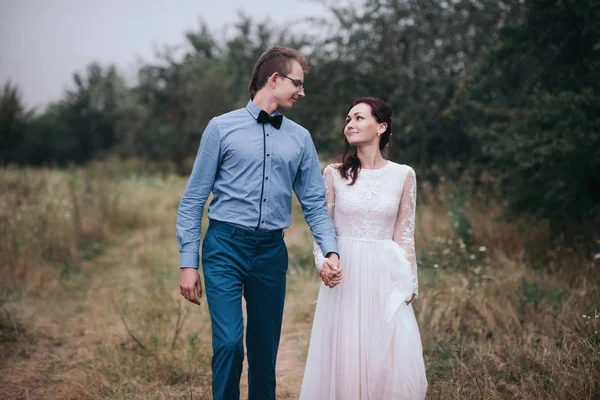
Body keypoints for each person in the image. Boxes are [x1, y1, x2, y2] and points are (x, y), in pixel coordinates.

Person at [175, 46, 341, 400]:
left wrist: (331, 249)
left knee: (264, 353)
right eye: (297, 83)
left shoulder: (300, 139)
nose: (302, 91)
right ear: (274, 79)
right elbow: (192, 201)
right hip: (224, 248)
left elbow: (313, 201)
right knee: (230, 344)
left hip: (270, 253)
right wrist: (189, 263)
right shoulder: (220, 129)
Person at [300, 97, 428, 399]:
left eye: (358, 118)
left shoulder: (404, 175)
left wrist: (410, 283)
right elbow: (323, 228)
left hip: (386, 273)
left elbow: (405, 233)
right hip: (346, 275)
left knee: (391, 354)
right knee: (347, 351)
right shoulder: (334, 173)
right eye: (348, 119)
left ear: (381, 126)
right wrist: (323, 262)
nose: (350, 124)